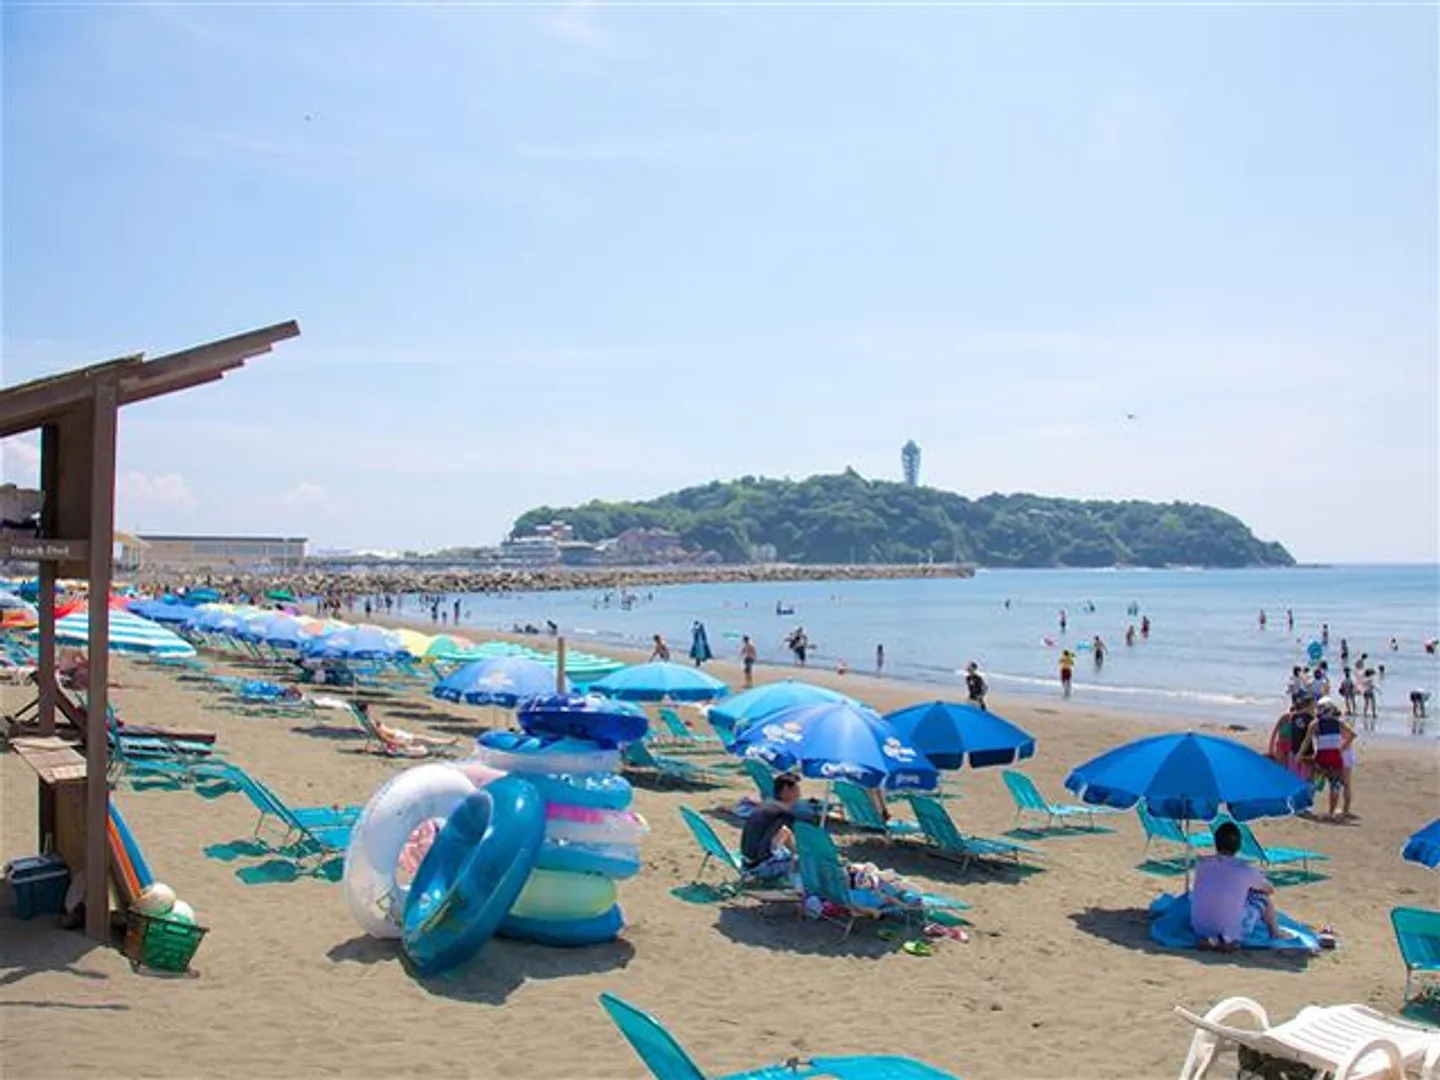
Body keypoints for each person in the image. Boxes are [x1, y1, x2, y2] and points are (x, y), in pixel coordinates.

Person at [1190, 822, 1285, 949]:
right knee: (1263, 898)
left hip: (1199, 928)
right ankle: (1274, 932)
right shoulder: (1244, 869)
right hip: (1229, 929)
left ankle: (1213, 939)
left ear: (1216, 843)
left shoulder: (1202, 864)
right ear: (1238, 846)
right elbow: (1269, 889)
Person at [1298, 699, 1355, 819]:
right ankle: (1331, 812)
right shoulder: (1339, 723)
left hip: (1322, 757)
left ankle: (1305, 807)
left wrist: (1299, 754)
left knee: (1312, 781)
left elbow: (1306, 741)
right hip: (1335, 757)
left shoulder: (1315, 724)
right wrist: (1342, 748)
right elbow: (1352, 735)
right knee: (1335, 785)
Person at [739, 772, 801, 878]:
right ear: (786, 789)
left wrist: (794, 852)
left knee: (789, 848)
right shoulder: (784, 813)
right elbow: (768, 849)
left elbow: (784, 832)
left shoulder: (767, 805)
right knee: (803, 866)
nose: (799, 794)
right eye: (796, 789)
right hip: (759, 868)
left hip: (746, 862)